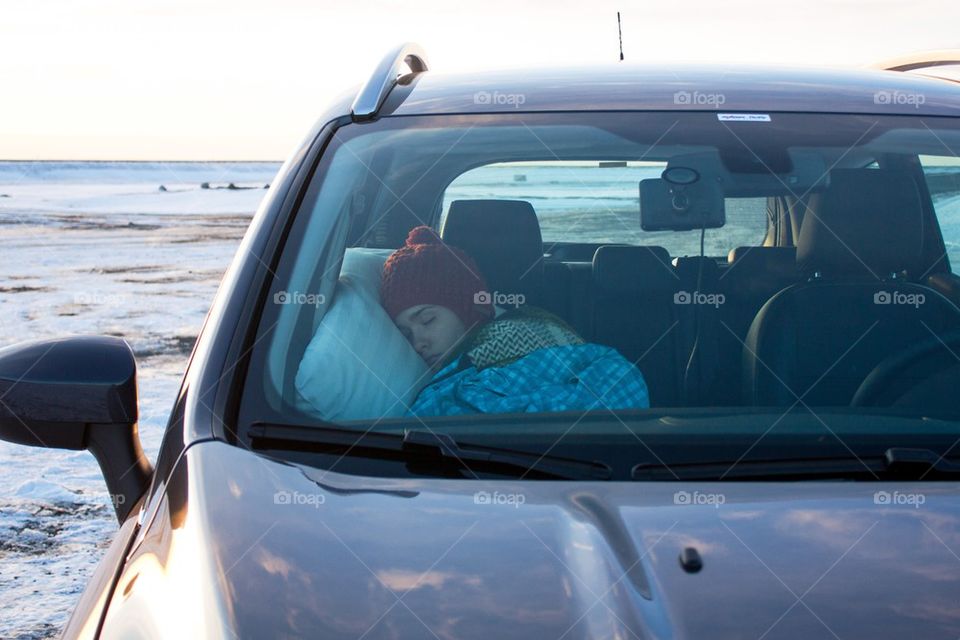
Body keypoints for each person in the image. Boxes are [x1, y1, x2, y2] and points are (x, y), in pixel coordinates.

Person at [380, 225, 650, 416]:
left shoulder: (526, 332)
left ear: (467, 309)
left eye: (427, 320)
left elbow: (619, 382)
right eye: (405, 334)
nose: (418, 343)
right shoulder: (446, 374)